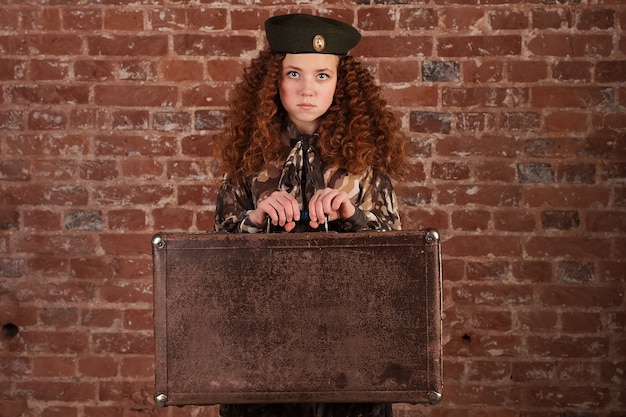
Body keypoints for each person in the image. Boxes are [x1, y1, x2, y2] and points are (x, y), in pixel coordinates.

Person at [213, 13, 407, 417]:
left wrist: (352, 215)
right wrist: (255, 220)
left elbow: (399, 260)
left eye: (322, 75)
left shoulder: (364, 165)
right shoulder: (249, 162)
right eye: (294, 73)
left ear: (341, 83)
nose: (307, 89)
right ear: (273, 81)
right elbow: (214, 260)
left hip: (351, 349)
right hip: (263, 351)